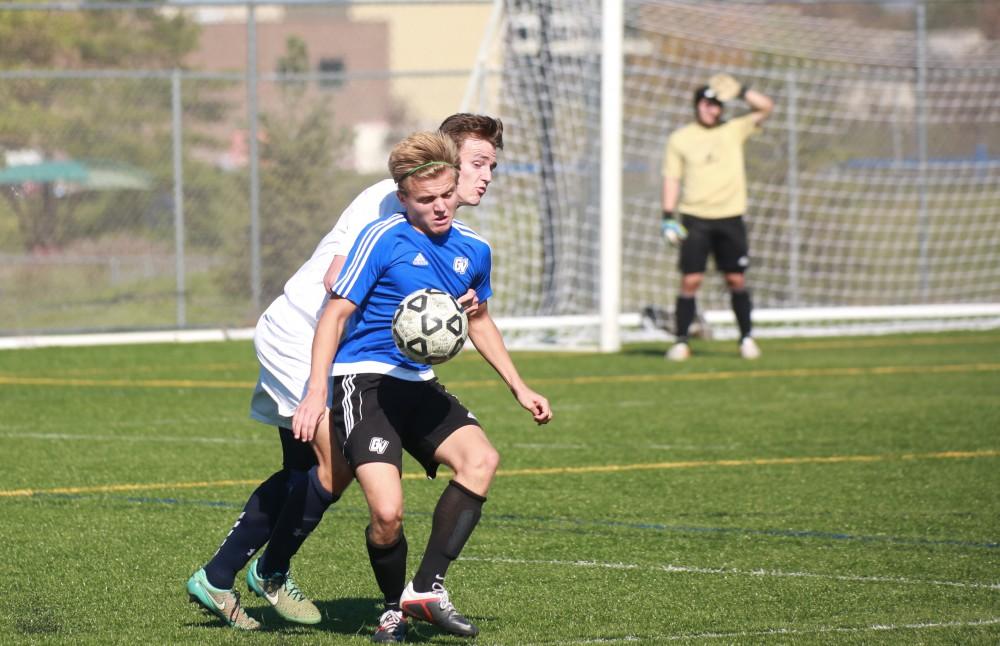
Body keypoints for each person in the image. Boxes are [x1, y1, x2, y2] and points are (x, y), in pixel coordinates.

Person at [185, 114, 505, 633]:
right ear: (445, 158)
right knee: (334, 468)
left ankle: (219, 577)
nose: (484, 175)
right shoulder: (390, 200)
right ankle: (270, 571)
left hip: (329, 345)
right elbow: (339, 277)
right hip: (305, 336)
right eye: (477, 162)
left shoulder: (442, 222)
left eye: (491, 165)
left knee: (302, 471)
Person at [292, 131, 552, 641]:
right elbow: (335, 315)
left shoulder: (474, 249)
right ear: (404, 198)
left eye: (446, 195)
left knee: (482, 459)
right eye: (425, 200)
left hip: (418, 382)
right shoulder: (382, 238)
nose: (440, 208)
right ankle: (392, 608)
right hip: (363, 383)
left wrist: (520, 388)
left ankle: (426, 589)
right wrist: (314, 392)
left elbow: (478, 320)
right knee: (387, 514)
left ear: (457, 186)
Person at [660, 73, 773, 361]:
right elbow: (672, 178)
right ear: (696, 105)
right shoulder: (681, 138)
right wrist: (668, 216)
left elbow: (765, 107)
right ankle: (681, 340)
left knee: (736, 279)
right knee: (690, 280)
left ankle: (746, 338)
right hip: (695, 218)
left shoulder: (734, 129)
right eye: (706, 103)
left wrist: (741, 91)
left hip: (730, 217)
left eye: (716, 104)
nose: (711, 109)